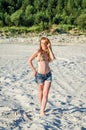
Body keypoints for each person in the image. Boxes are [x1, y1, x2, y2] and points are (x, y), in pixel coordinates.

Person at [28, 37, 55, 116]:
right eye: (42, 43)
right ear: (40, 43)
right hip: (39, 75)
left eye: (45, 43)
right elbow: (29, 60)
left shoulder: (48, 52)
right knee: (41, 92)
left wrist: (50, 48)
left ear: (48, 43)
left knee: (45, 93)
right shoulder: (38, 52)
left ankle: (42, 111)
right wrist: (33, 70)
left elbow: (53, 58)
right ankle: (41, 107)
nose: (43, 44)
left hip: (48, 75)